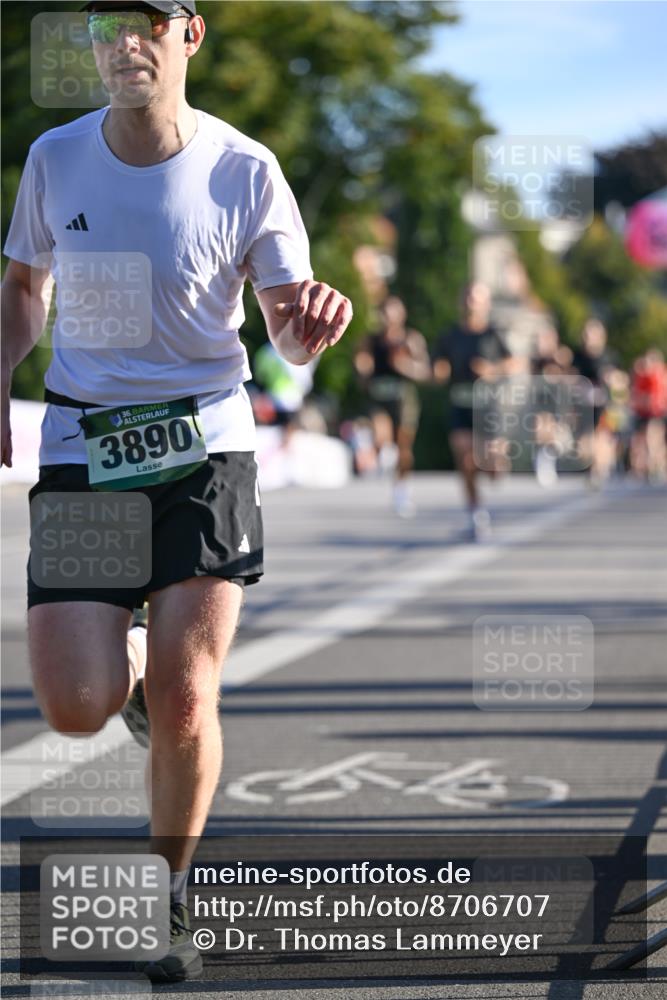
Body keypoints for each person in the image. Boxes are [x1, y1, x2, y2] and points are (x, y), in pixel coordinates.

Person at [1, 0, 352, 982]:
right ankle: (139, 670)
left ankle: (167, 895)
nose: (125, 43)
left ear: (188, 35)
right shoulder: (55, 158)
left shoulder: (245, 170)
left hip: (205, 447)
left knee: (187, 699)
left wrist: (310, 327)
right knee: (77, 703)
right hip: (83, 445)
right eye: (106, 25)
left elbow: (284, 327)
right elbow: (24, 289)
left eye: (147, 22)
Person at [432, 282, 515, 540]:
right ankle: (475, 513)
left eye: (476, 299)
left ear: (485, 304)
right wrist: (438, 372)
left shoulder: (493, 334)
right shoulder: (450, 335)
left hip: (487, 407)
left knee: (491, 464)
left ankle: (496, 465)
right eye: (468, 298)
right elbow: (438, 365)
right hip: (460, 404)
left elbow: (512, 363)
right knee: (465, 460)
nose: (471, 303)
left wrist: (492, 371)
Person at [354, 296, 430, 516]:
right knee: (381, 432)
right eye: (385, 313)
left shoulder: (411, 339)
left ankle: (401, 489)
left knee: (404, 448)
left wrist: (405, 365)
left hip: (403, 398)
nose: (388, 318)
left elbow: (425, 371)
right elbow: (362, 365)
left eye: (393, 313)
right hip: (379, 396)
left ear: (401, 315)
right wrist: (363, 369)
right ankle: (383, 454)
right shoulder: (370, 340)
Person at [571, 318, 617, 488]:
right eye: (587, 334)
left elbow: (617, 379)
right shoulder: (578, 357)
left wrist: (611, 379)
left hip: (603, 405)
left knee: (601, 438)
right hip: (583, 405)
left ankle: (599, 470)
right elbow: (572, 376)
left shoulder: (608, 356)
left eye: (593, 335)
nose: (589, 338)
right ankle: (592, 468)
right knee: (583, 446)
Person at [630, 348, 667, 482]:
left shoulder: (659, 374)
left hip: (657, 411)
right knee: (646, 438)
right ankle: (650, 466)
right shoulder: (643, 376)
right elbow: (638, 393)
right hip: (645, 412)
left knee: (655, 438)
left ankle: (656, 466)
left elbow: (657, 395)